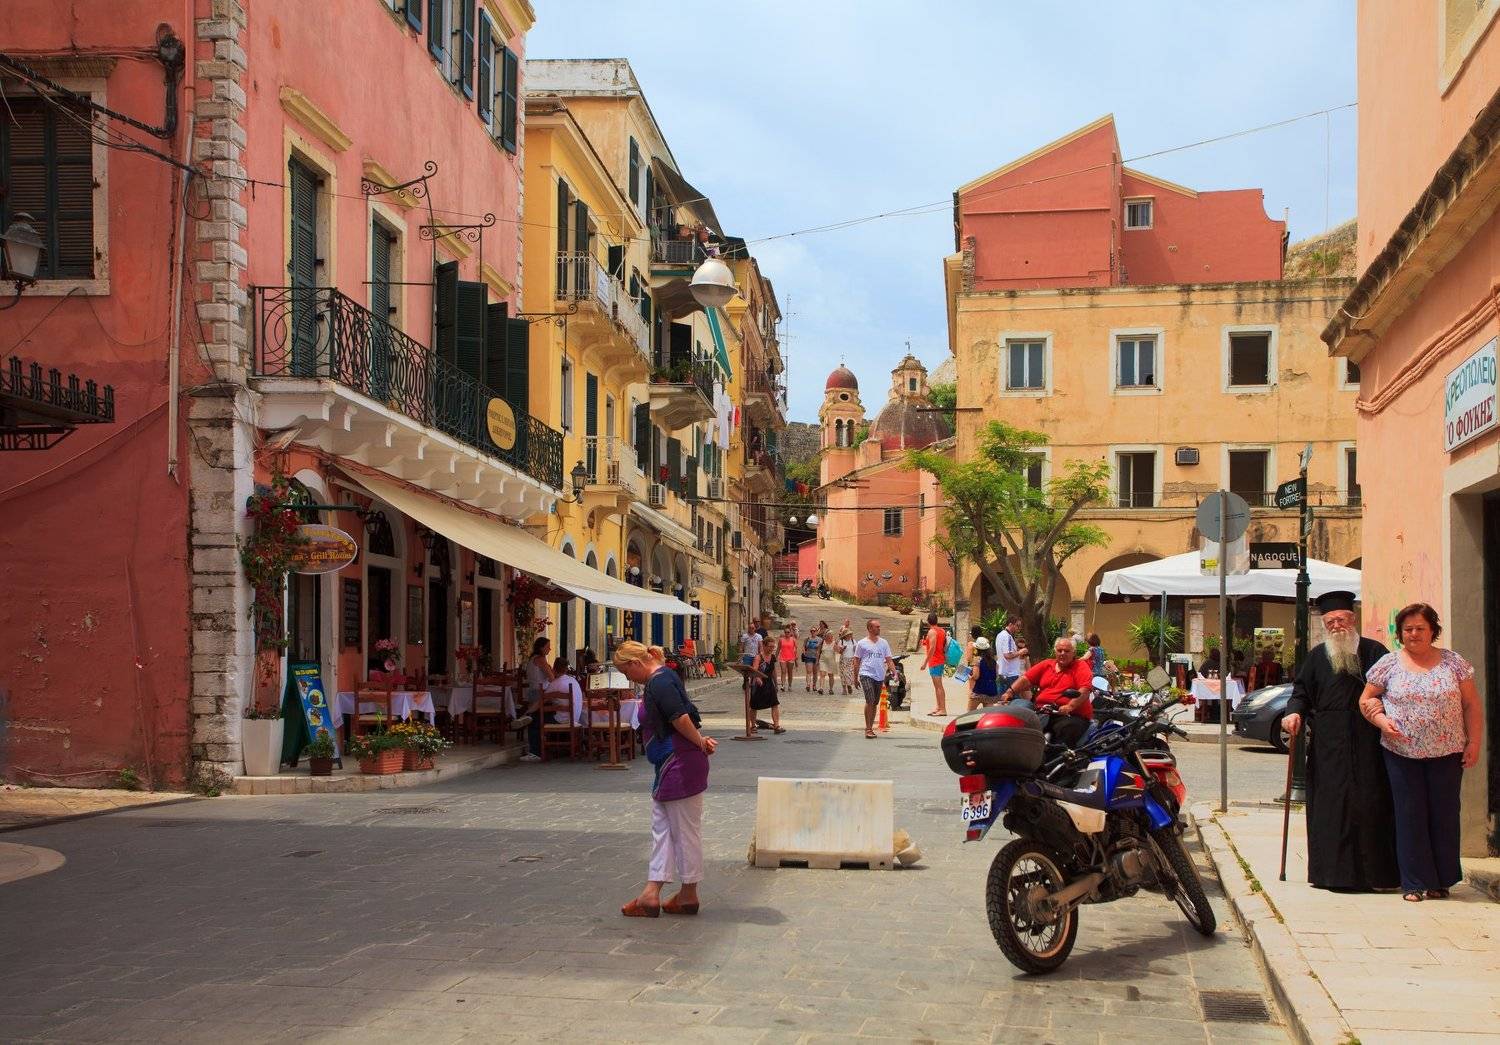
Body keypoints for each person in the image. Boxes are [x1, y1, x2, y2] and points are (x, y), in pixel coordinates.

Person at [1358, 603, 1482, 902]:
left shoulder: (1454, 663)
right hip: (1401, 752)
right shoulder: (1388, 664)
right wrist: (1381, 721)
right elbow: (1366, 700)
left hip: (1448, 751)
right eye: (1408, 629)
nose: (1414, 634)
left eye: (1420, 628)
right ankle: (1414, 882)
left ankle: (1441, 881)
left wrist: (1474, 742)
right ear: (1400, 633)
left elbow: (1471, 705)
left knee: (1444, 815)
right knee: (1409, 814)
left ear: (1433, 631)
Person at [1282, 590, 1399, 892]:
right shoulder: (1317, 657)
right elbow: (1300, 693)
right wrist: (1293, 713)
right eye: (1330, 622)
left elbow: (1395, 690)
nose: (1336, 626)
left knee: (1372, 803)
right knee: (1331, 806)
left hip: (1369, 741)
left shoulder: (1375, 652)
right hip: (1328, 744)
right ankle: (1331, 875)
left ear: (1352, 619)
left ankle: (1377, 877)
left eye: (1341, 620)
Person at [614, 641, 716, 918]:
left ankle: (689, 893)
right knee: (663, 829)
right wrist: (699, 741)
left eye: (626, 671)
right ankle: (651, 892)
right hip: (670, 763)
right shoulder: (660, 679)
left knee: (684, 831)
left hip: (680, 763)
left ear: (635, 663)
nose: (627, 677)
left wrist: (699, 742)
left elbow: (679, 717)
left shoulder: (659, 682)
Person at [1000, 636, 1095, 747]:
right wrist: (1009, 692)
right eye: (1059, 650)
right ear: (1055, 651)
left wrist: (1070, 706)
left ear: (1074, 653)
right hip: (1044, 711)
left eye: (1066, 651)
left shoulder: (1080, 666)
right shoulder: (1047, 664)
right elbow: (1026, 679)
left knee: (1066, 730)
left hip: (1070, 715)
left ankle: (1062, 756)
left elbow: (1085, 689)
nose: (1062, 653)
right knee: (1017, 715)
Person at [853, 618, 896, 739]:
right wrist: (855, 677)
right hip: (866, 674)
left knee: (875, 702)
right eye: (877, 627)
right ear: (870, 628)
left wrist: (895, 673)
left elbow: (889, 660)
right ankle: (868, 728)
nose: (879, 628)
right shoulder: (862, 643)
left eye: (879, 626)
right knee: (870, 700)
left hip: (879, 676)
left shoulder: (884, 643)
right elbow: (856, 660)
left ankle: (870, 727)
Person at [519, 636, 555, 762]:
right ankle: (536, 751)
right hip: (541, 694)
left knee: (534, 721)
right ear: (541, 648)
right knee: (538, 722)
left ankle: (536, 750)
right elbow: (551, 678)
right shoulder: (540, 659)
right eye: (547, 647)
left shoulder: (532, 659)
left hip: (532, 692)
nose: (550, 649)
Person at [749, 642, 784, 735]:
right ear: (764, 646)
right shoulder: (758, 657)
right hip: (758, 684)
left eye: (773, 647)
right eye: (769, 646)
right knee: (754, 705)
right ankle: (753, 726)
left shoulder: (772, 657)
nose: (771, 649)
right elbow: (754, 670)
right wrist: (757, 678)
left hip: (769, 683)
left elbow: (773, 671)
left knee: (775, 703)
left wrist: (776, 684)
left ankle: (776, 726)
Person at [921, 612, 950, 717]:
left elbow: (932, 648)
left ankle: (943, 709)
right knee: (937, 686)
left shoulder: (932, 631)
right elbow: (943, 645)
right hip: (940, 659)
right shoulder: (942, 630)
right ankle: (939, 707)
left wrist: (925, 662)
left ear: (928, 621)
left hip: (935, 661)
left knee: (938, 686)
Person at [544, 657, 585, 725]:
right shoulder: (573, 680)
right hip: (575, 720)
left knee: (536, 718)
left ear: (554, 669)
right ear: (566, 669)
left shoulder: (555, 683)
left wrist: (528, 712)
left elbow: (542, 700)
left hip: (562, 721)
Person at [995, 618, 1029, 694]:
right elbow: (1008, 655)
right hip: (1010, 674)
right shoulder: (1008, 637)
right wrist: (1020, 652)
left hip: (1003, 672)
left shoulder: (1000, 635)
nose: (1019, 628)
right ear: (1010, 624)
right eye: (1017, 625)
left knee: (1003, 697)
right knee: (1013, 698)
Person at [967, 637, 1000, 710]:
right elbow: (996, 675)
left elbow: (976, 676)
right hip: (991, 691)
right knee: (988, 713)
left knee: (970, 712)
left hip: (979, 690)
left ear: (977, 649)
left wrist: (970, 676)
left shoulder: (977, 660)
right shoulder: (993, 661)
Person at [817, 622, 840, 694]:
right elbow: (818, 651)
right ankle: (821, 688)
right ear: (826, 636)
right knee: (822, 674)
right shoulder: (823, 642)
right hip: (823, 660)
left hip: (831, 661)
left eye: (831, 635)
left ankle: (831, 689)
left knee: (830, 675)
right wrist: (817, 660)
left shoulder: (834, 643)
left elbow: (838, 651)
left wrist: (839, 647)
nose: (830, 637)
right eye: (829, 635)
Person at [802, 626, 824, 692]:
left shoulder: (820, 640)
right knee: (809, 671)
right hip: (808, 656)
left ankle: (814, 685)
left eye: (814, 631)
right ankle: (808, 685)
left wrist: (818, 658)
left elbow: (820, 649)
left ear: (816, 631)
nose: (813, 632)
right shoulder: (807, 639)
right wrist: (804, 652)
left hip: (816, 657)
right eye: (811, 631)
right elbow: (803, 646)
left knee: (815, 672)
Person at [838, 625, 858, 695]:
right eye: (848, 634)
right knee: (843, 674)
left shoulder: (853, 641)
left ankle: (849, 685)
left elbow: (856, 651)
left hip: (851, 660)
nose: (849, 635)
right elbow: (839, 652)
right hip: (843, 660)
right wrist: (843, 649)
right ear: (845, 635)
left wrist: (855, 649)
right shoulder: (841, 641)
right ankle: (844, 689)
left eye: (850, 634)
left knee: (849, 674)